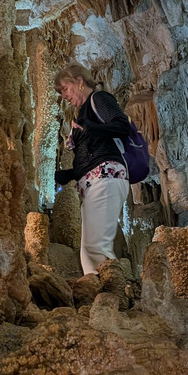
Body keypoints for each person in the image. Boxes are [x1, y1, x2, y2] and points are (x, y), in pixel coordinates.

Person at [53, 63, 131, 275]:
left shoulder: (99, 99)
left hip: (106, 177)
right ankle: (104, 288)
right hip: (94, 181)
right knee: (89, 250)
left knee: (96, 249)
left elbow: (122, 126)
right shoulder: (83, 114)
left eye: (65, 88)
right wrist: (70, 174)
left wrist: (91, 128)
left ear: (79, 82)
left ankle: (109, 290)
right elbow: (92, 152)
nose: (64, 96)